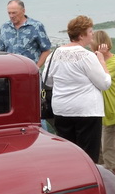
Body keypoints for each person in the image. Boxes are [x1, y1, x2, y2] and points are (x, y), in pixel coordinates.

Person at [41, 16, 110, 162]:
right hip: (86, 111)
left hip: (62, 110)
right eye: (90, 31)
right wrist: (102, 62)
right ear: (81, 35)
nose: (92, 34)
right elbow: (104, 83)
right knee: (88, 156)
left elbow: (47, 81)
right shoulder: (87, 56)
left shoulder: (53, 55)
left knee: (68, 155)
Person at [93, 30, 115, 179]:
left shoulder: (113, 62)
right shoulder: (97, 60)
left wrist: (101, 59)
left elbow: (104, 78)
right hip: (98, 110)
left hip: (110, 109)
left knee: (109, 149)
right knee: (98, 149)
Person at [0, 0, 52, 68]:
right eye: (9, 13)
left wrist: (36, 68)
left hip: (30, 72)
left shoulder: (36, 26)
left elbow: (46, 50)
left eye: (14, 13)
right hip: (10, 73)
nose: (11, 16)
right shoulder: (4, 27)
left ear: (23, 11)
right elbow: (0, 52)